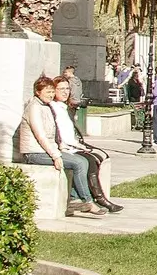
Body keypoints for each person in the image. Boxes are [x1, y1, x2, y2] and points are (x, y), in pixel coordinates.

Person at [17, 75, 105, 215]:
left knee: (83, 160)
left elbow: (54, 134)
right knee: (78, 163)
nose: (51, 95)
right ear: (38, 92)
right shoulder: (34, 108)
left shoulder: (45, 106)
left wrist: (62, 147)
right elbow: (41, 136)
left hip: (47, 150)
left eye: (52, 92)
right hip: (34, 153)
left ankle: (74, 199)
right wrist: (56, 156)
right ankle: (86, 201)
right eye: (48, 92)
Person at [51, 76, 123, 212]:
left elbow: (69, 132)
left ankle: (97, 198)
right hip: (64, 147)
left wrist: (80, 145)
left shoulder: (63, 107)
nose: (65, 92)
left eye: (67, 88)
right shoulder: (54, 108)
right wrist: (76, 146)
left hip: (71, 145)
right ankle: (93, 199)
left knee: (97, 157)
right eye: (61, 89)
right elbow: (61, 134)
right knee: (87, 160)